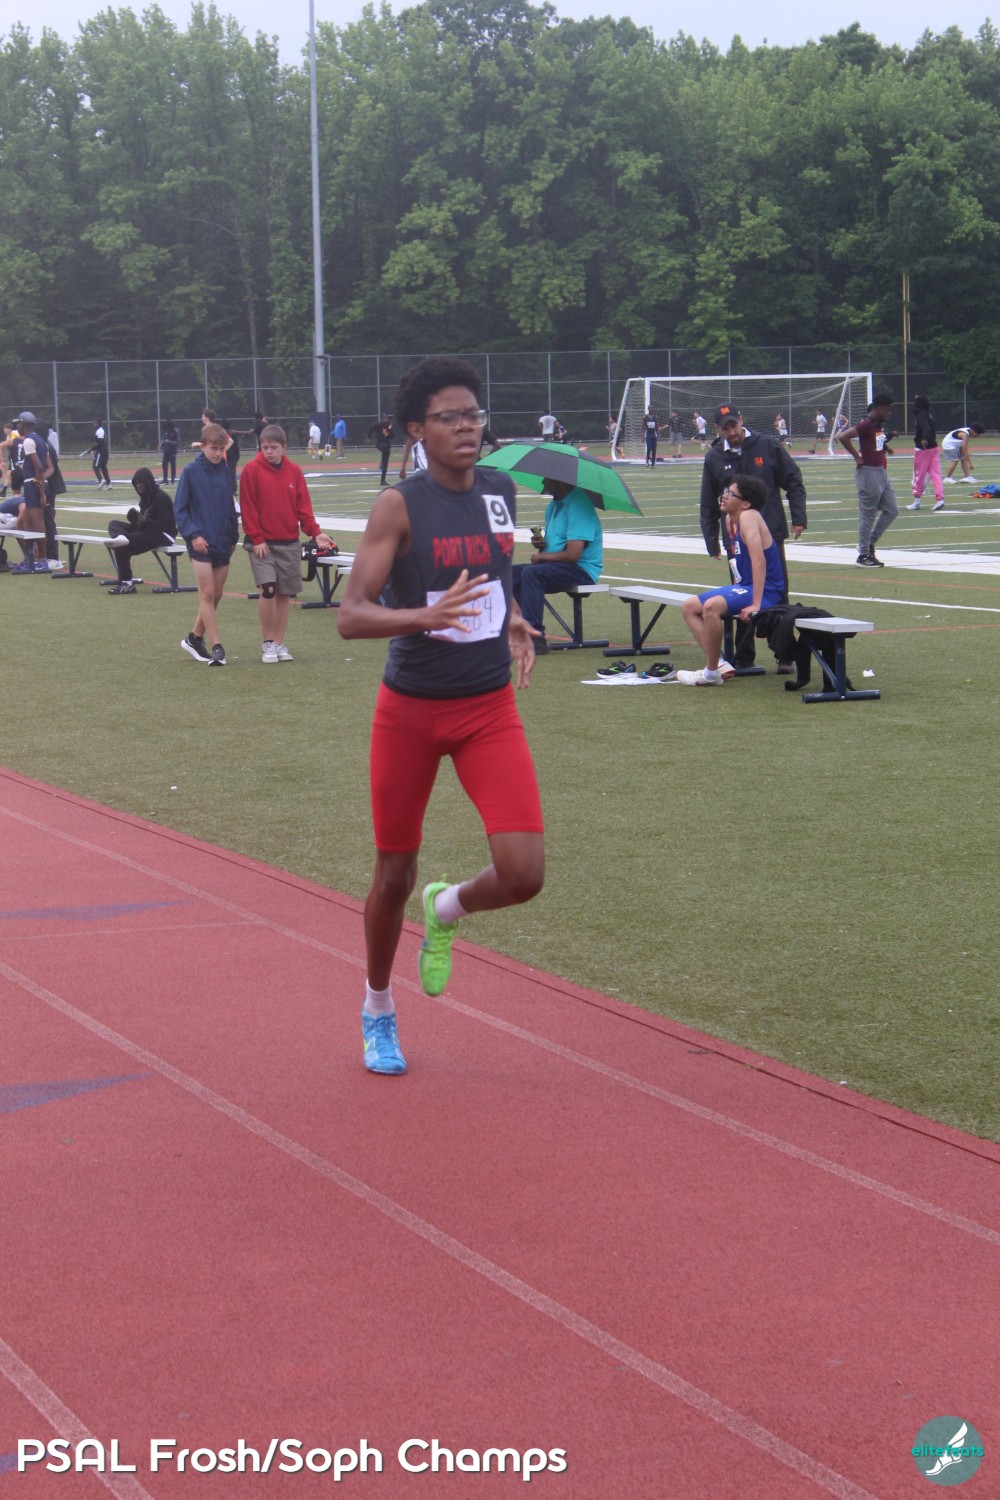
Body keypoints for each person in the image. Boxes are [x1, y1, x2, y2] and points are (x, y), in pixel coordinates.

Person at [336, 356, 543, 1077]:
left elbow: (492, 575)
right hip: (411, 714)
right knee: (393, 873)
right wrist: (422, 616)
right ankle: (377, 1008)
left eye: (473, 415)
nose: (466, 427)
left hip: (488, 708)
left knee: (524, 874)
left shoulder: (500, 491)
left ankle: (447, 908)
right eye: (449, 417)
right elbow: (351, 615)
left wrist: (511, 618)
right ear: (416, 431)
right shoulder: (399, 506)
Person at [699, 404, 806, 670]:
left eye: (734, 425)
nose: (732, 432)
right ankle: (744, 657)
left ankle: (785, 655)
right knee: (740, 593)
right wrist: (712, 539)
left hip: (770, 535)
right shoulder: (714, 457)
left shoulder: (768, 445)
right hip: (734, 539)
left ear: (741, 421)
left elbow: (793, 480)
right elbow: (708, 500)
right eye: (726, 428)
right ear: (718, 429)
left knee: (776, 596)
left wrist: (799, 517)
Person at [678, 474, 787, 686]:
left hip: (766, 590)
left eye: (731, 494)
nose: (724, 496)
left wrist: (756, 604)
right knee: (688, 607)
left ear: (745, 503)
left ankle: (710, 673)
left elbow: (759, 561)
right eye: (726, 491)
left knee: (711, 607)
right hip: (745, 586)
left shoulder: (749, 517)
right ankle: (719, 664)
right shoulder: (730, 520)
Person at [239, 423, 334, 663]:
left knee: (284, 594)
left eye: (273, 447)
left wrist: (316, 533)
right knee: (268, 589)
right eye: (264, 447)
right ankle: (268, 643)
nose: (268, 452)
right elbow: (248, 508)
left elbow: (304, 508)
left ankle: (279, 643)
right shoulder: (251, 470)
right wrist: (257, 538)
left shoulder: (294, 471)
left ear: (284, 447)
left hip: (289, 542)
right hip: (262, 544)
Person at [511, 478, 603, 655]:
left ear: (560, 481)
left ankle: (535, 638)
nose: (543, 482)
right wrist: (541, 544)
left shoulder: (579, 506)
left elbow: (573, 555)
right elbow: (557, 545)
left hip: (582, 570)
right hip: (560, 565)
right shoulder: (554, 505)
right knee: (511, 573)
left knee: (532, 573)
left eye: (547, 479)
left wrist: (542, 557)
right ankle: (520, 630)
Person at [174, 422, 239, 665]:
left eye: (221, 449)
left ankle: (194, 638)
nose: (218, 453)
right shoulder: (191, 471)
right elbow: (180, 509)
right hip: (200, 542)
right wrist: (193, 535)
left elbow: (230, 507)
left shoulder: (225, 470)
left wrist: (233, 537)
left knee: (217, 594)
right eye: (213, 448)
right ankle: (217, 647)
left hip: (223, 540)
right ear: (203, 446)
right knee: (208, 593)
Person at [838, 392, 898, 567]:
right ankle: (863, 555)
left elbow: (876, 444)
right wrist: (857, 457)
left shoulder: (877, 425)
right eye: (888, 409)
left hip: (880, 471)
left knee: (892, 510)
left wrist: (886, 448)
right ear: (879, 408)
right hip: (868, 473)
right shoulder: (866, 423)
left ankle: (869, 543)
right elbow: (843, 437)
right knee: (868, 515)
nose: (890, 413)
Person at [106, 468, 178, 594]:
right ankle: (122, 538)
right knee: (114, 524)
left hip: (164, 535)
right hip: (148, 531)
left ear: (148, 482)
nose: (138, 486)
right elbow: (144, 525)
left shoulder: (162, 498)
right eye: (136, 483)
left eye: (141, 483)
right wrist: (136, 521)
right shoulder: (144, 498)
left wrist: (146, 521)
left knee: (122, 545)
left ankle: (127, 583)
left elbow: (167, 526)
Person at [10, 413, 51, 573]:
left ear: (22, 425)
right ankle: (30, 559)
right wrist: (41, 483)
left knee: (37, 525)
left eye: (18, 424)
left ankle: (42, 560)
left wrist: (41, 493)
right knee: (26, 523)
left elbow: (39, 467)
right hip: (34, 485)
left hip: (33, 486)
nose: (17, 427)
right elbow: (48, 468)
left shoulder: (28, 441)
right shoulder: (41, 441)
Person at [906, 394, 944, 512]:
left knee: (919, 475)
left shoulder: (921, 415)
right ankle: (940, 499)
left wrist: (924, 438)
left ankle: (917, 501)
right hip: (934, 448)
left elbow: (926, 428)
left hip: (923, 449)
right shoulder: (928, 414)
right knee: (936, 475)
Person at [368, 415, 394, 486]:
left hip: (386, 445)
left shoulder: (386, 427)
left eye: (386, 418)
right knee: (385, 454)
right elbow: (371, 429)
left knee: (385, 463)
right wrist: (368, 437)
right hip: (380, 444)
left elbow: (390, 436)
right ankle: (382, 463)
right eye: (384, 418)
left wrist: (389, 428)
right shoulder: (378, 425)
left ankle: (383, 480)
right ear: (381, 419)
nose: (385, 419)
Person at [89, 420, 111, 489]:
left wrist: (92, 449)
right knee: (103, 467)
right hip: (103, 451)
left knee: (95, 466)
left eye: (95, 423)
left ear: (98, 424)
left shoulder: (100, 431)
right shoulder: (99, 431)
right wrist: (92, 449)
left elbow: (100, 442)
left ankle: (101, 480)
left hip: (101, 452)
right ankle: (109, 484)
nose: (94, 424)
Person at [160, 419, 180, 483]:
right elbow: (164, 439)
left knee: (172, 464)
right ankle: (165, 479)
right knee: (164, 464)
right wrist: (161, 445)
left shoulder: (176, 430)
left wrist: (170, 442)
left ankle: (173, 479)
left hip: (173, 451)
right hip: (166, 450)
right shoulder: (167, 431)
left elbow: (178, 441)